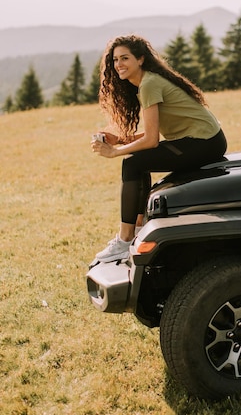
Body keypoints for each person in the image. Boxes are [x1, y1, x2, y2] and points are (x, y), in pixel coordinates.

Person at [91, 34, 227, 263]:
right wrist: (121, 140)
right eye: (115, 60)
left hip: (204, 142)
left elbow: (152, 140)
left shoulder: (149, 84)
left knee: (133, 163)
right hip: (202, 139)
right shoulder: (148, 82)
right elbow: (154, 133)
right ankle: (135, 229)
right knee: (138, 161)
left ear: (140, 59)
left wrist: (114, 153)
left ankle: (125, 240)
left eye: (125, 58)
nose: (119, 65)